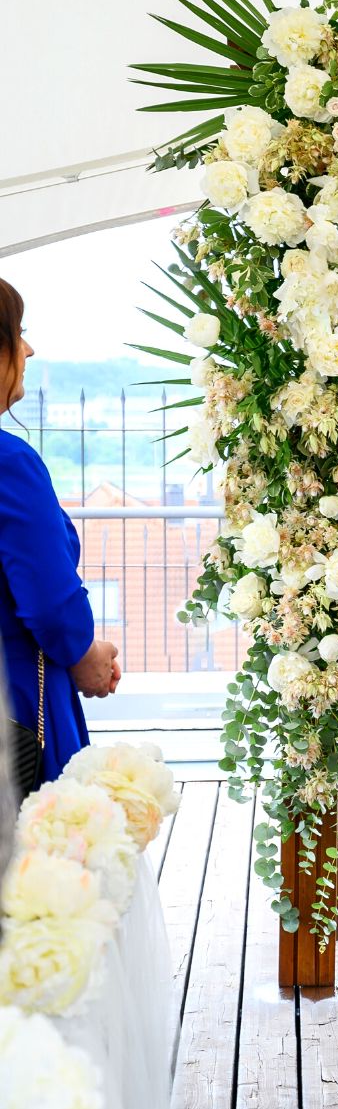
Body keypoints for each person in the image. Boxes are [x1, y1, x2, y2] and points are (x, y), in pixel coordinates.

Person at [0, 277, 120, 788]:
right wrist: (85, 652)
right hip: (16, 699)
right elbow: (49, 603)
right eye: (17, 333)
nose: (27, 348)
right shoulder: (9, 463)